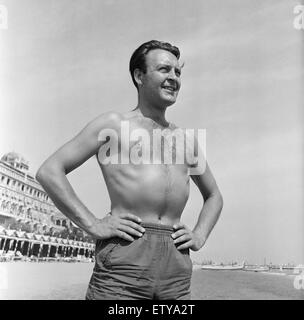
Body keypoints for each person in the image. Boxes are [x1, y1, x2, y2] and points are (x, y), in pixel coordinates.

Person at [36, 40, 223, 300]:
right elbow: (49, 171)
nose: (174, 78)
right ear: (139, 76)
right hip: (124, 262)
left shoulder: (186, 140)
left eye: (177, 72)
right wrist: (92, 224)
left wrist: (200, 234)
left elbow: (214, 196)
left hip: (177, 269)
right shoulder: (114, 124)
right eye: (164, 70)